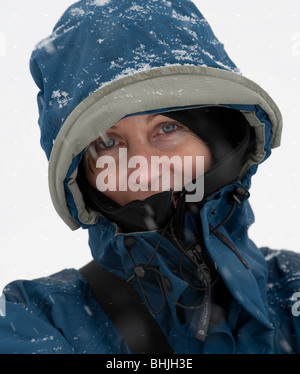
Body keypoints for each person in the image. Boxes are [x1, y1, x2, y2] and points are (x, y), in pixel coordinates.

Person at [1, 0, 300, 354]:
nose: (142, 168)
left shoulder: (292, 289)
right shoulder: (37, 319)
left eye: (168, 127)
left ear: (219, 140)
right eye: (108, 142)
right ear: (83, 179)